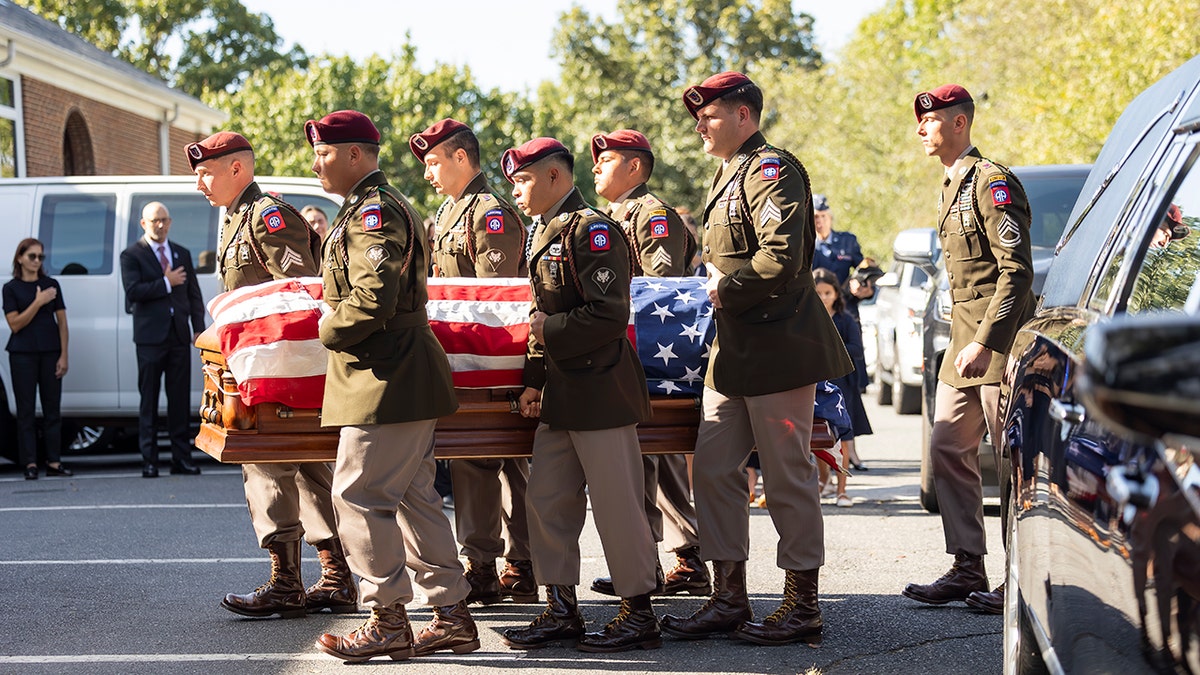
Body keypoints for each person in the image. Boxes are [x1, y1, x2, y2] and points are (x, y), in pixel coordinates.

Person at [660, 71, 852, 647]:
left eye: (710, 115)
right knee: (714, 470)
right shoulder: (729, 172)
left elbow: (780, 256)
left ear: (744, 115)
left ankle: (801, 604)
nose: (700, 126)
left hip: (779, 346)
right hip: (734, 349)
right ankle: (728, 597)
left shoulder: (771, 169)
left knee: (787, 476)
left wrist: (723, 289)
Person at [304, 110, 477, 663]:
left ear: (355, 154)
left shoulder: (374, 211)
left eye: (325, 153)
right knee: (413, 497)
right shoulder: (364, 207)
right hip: (392, 374)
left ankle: (388, 620)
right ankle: (451, 615)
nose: (316, 164)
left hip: (387, 377)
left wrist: (325, 328)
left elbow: (372, 299)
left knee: (356, 494)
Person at [497, 137, 661, 653]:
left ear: (554, 176)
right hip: (562, 393)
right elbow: (539, 314)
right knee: (546, 501)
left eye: (524, 180)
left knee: (617, 507)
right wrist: (534, 379)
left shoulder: (592, 230)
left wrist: (548, 331)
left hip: (601, 390)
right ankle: (561, 609)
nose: (516, 191)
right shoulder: (545, 231)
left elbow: (609, 314)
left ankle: (638, 613)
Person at [187, 131, 356, 620]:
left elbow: (302, 294)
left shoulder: (267, 216)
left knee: (271, 468)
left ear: (237, 169)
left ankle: (290, 583)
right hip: (262, 367)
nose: (199, 184)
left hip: (283, 371)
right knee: (305, 470)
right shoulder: (235, 218)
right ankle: (334, 579)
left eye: (206, 173)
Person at [902, 84, 1035, 615]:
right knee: (946, 447)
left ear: (959, 123)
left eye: (930, 120)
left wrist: (986, 343)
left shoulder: (991, 181)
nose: (921, 129)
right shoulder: (950, 184)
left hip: (996, 343)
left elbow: (1015, 273)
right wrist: (969, 341)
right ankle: (967, 566)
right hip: (962, 340)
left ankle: (1019, 577)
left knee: (1011, 462)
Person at [409, 118, 537, 605]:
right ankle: (504, 562)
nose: (428, 174)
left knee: (490, 464)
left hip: (492, 360)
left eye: (434, 163)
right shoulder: (448, 212)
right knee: (481, 464)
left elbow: (496, 301)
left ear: (461, 158)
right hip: (464, 360)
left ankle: (503, 565)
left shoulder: (489, 214)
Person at [586, 128, 710, 599]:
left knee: (653, 459)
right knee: (646, 461)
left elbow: (661, 290)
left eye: (607, 159)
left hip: (650, 355)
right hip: (625, 353)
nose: (596, 166)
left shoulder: (653, 216)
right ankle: (661, 562)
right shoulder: (611, 216)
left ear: (635, 166)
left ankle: (678, 560)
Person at [119, 201, 206, 478]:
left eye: (164, 220)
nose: (160, 225)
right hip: (150, 339)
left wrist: (198, 328)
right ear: (143, 224)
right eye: (155, 220)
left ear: (170, 222)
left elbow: (193, 294)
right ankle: (150, 460)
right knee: (149, 400)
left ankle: (182, 459)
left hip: (178, 336)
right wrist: (166, 282)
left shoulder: (181, 252)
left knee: (179, 401)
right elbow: (133, 292)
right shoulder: (132, 255)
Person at [4, 238, 71, 480]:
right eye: (32, 256)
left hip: (50, 352)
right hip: (22, 354)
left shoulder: (51, 284)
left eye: (40, 257)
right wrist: (38, 302)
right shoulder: (11, 288)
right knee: (26, 411)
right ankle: (30, 464)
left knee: (53, 410)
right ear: (20, 258)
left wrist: (64, 355)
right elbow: (15, 324)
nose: (36, 261)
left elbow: (62, 323)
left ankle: (54, 462)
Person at [813, 268, 871, 507]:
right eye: (818, 293)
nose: (824, 297)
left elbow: (857, 349)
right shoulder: (807, 319)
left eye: (828, 292)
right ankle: (823, 481)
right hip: (816, 385)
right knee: (818, 438)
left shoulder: (846, 319)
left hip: (842, 385)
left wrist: (830, 350)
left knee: (844, 439)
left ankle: (842, 490)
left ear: (837, 293)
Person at [811, 194, 864, 285]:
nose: (819, 221)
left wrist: (856, 282)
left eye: (823, 216)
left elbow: (862, 269)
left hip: (842, 293)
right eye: (816, 217)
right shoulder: (806, 245)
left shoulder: (847, 241)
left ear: (830, 218)